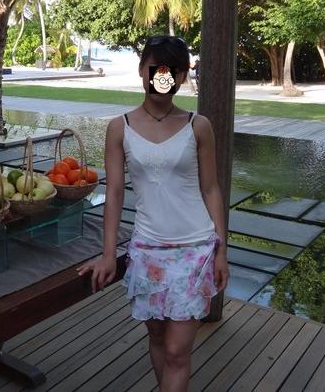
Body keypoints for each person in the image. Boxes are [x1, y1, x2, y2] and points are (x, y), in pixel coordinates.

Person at [77, 35, 229, 392]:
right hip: (147, 251)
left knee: (177, 351)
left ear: (182, 76)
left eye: (173, 71)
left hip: (194, 250)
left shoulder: (198, 126)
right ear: (142, 70)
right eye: (156, 69)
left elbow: (211, 189)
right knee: (158, 338)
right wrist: (108, 253)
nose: (163, 77)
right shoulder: (120, 128)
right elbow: (114, 194)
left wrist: (222, 251)